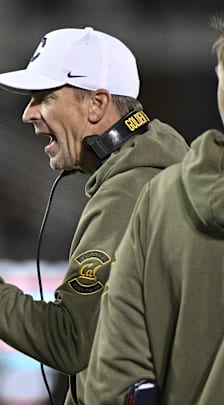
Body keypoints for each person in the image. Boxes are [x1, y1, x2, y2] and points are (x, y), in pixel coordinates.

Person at [0, 27, 189, 404]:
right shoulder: (158, 174)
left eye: (44, 97)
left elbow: (68, 341)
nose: (27, 114)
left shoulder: (129, 193)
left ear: (97, 104)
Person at [84, 17, 224, 404]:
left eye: (44, 98)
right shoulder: (153, 195)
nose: (30, 115)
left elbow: (112, 378)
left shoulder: (156, 200)